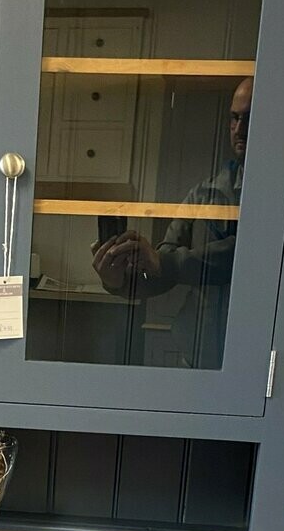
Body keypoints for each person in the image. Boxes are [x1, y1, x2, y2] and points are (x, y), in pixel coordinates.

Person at [90, 77, 251, 367]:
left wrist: (166, 262)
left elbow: (245, 253)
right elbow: (160, 269)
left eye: (250, 118)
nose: (239, 129)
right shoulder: (204, 193)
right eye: (234, 118)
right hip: (197, 356)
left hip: (256, 357)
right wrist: (118, 281)